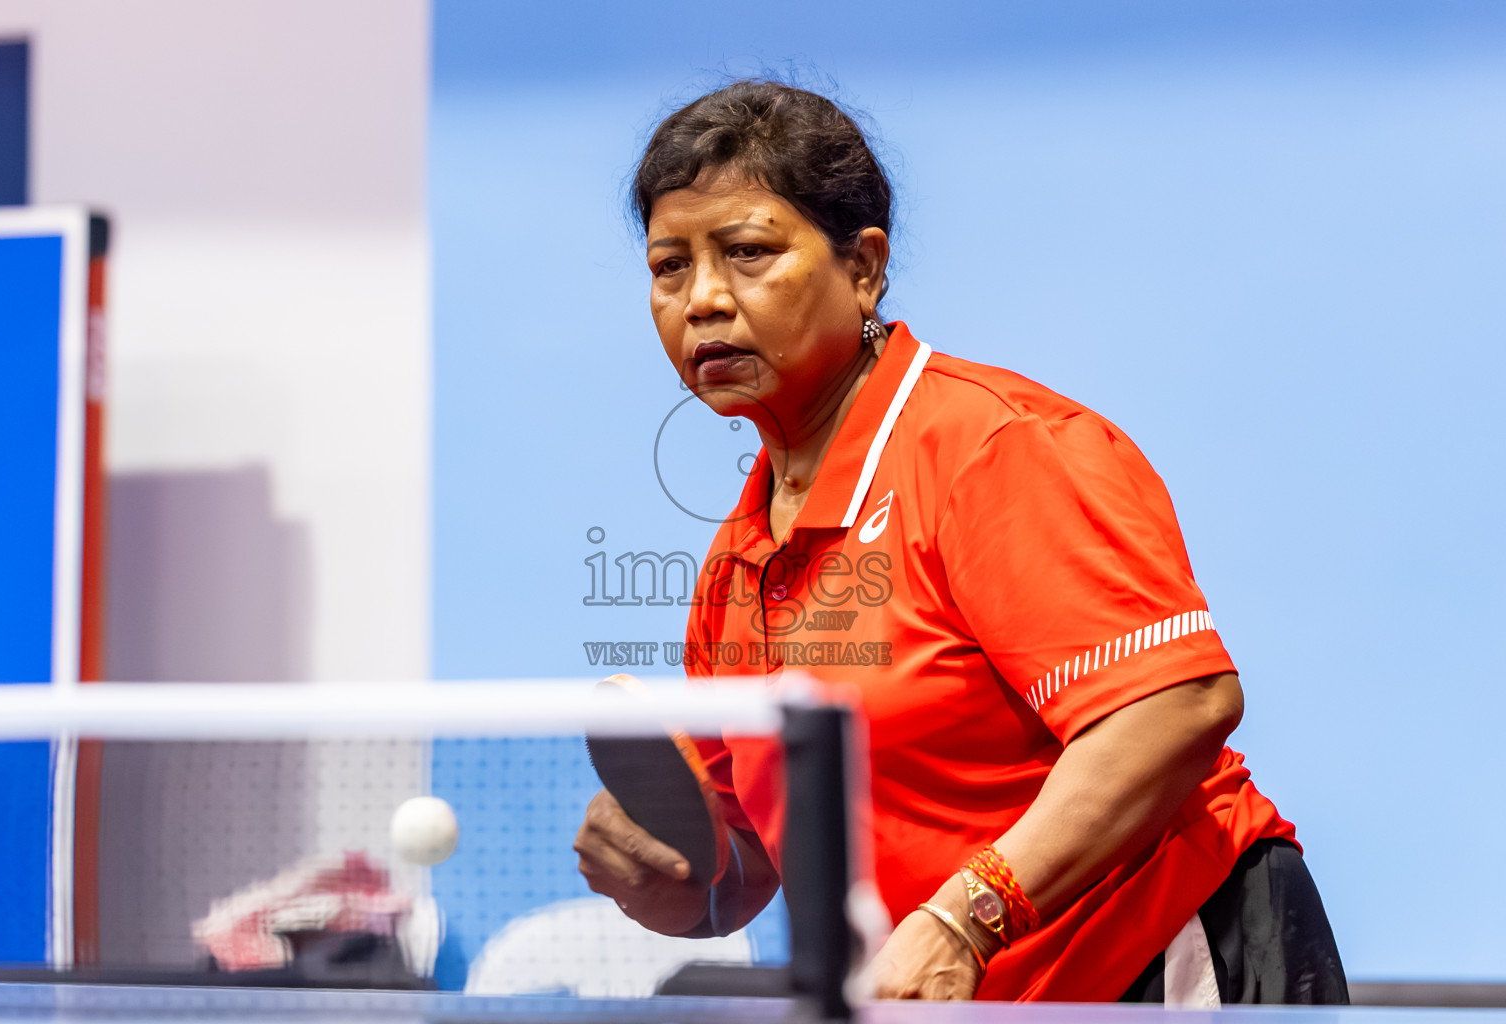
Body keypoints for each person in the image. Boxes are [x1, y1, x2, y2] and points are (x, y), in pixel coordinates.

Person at [574, 79, 1348, 1004]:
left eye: (746, 254)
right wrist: (673, 878)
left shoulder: (994, 450)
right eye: (670, 267)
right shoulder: (739, 560)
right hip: (974, 1001)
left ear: (863, 267)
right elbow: (749, 860)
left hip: (1156, 964)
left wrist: (966, 916)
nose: (702, 300)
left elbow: (1173, 709)